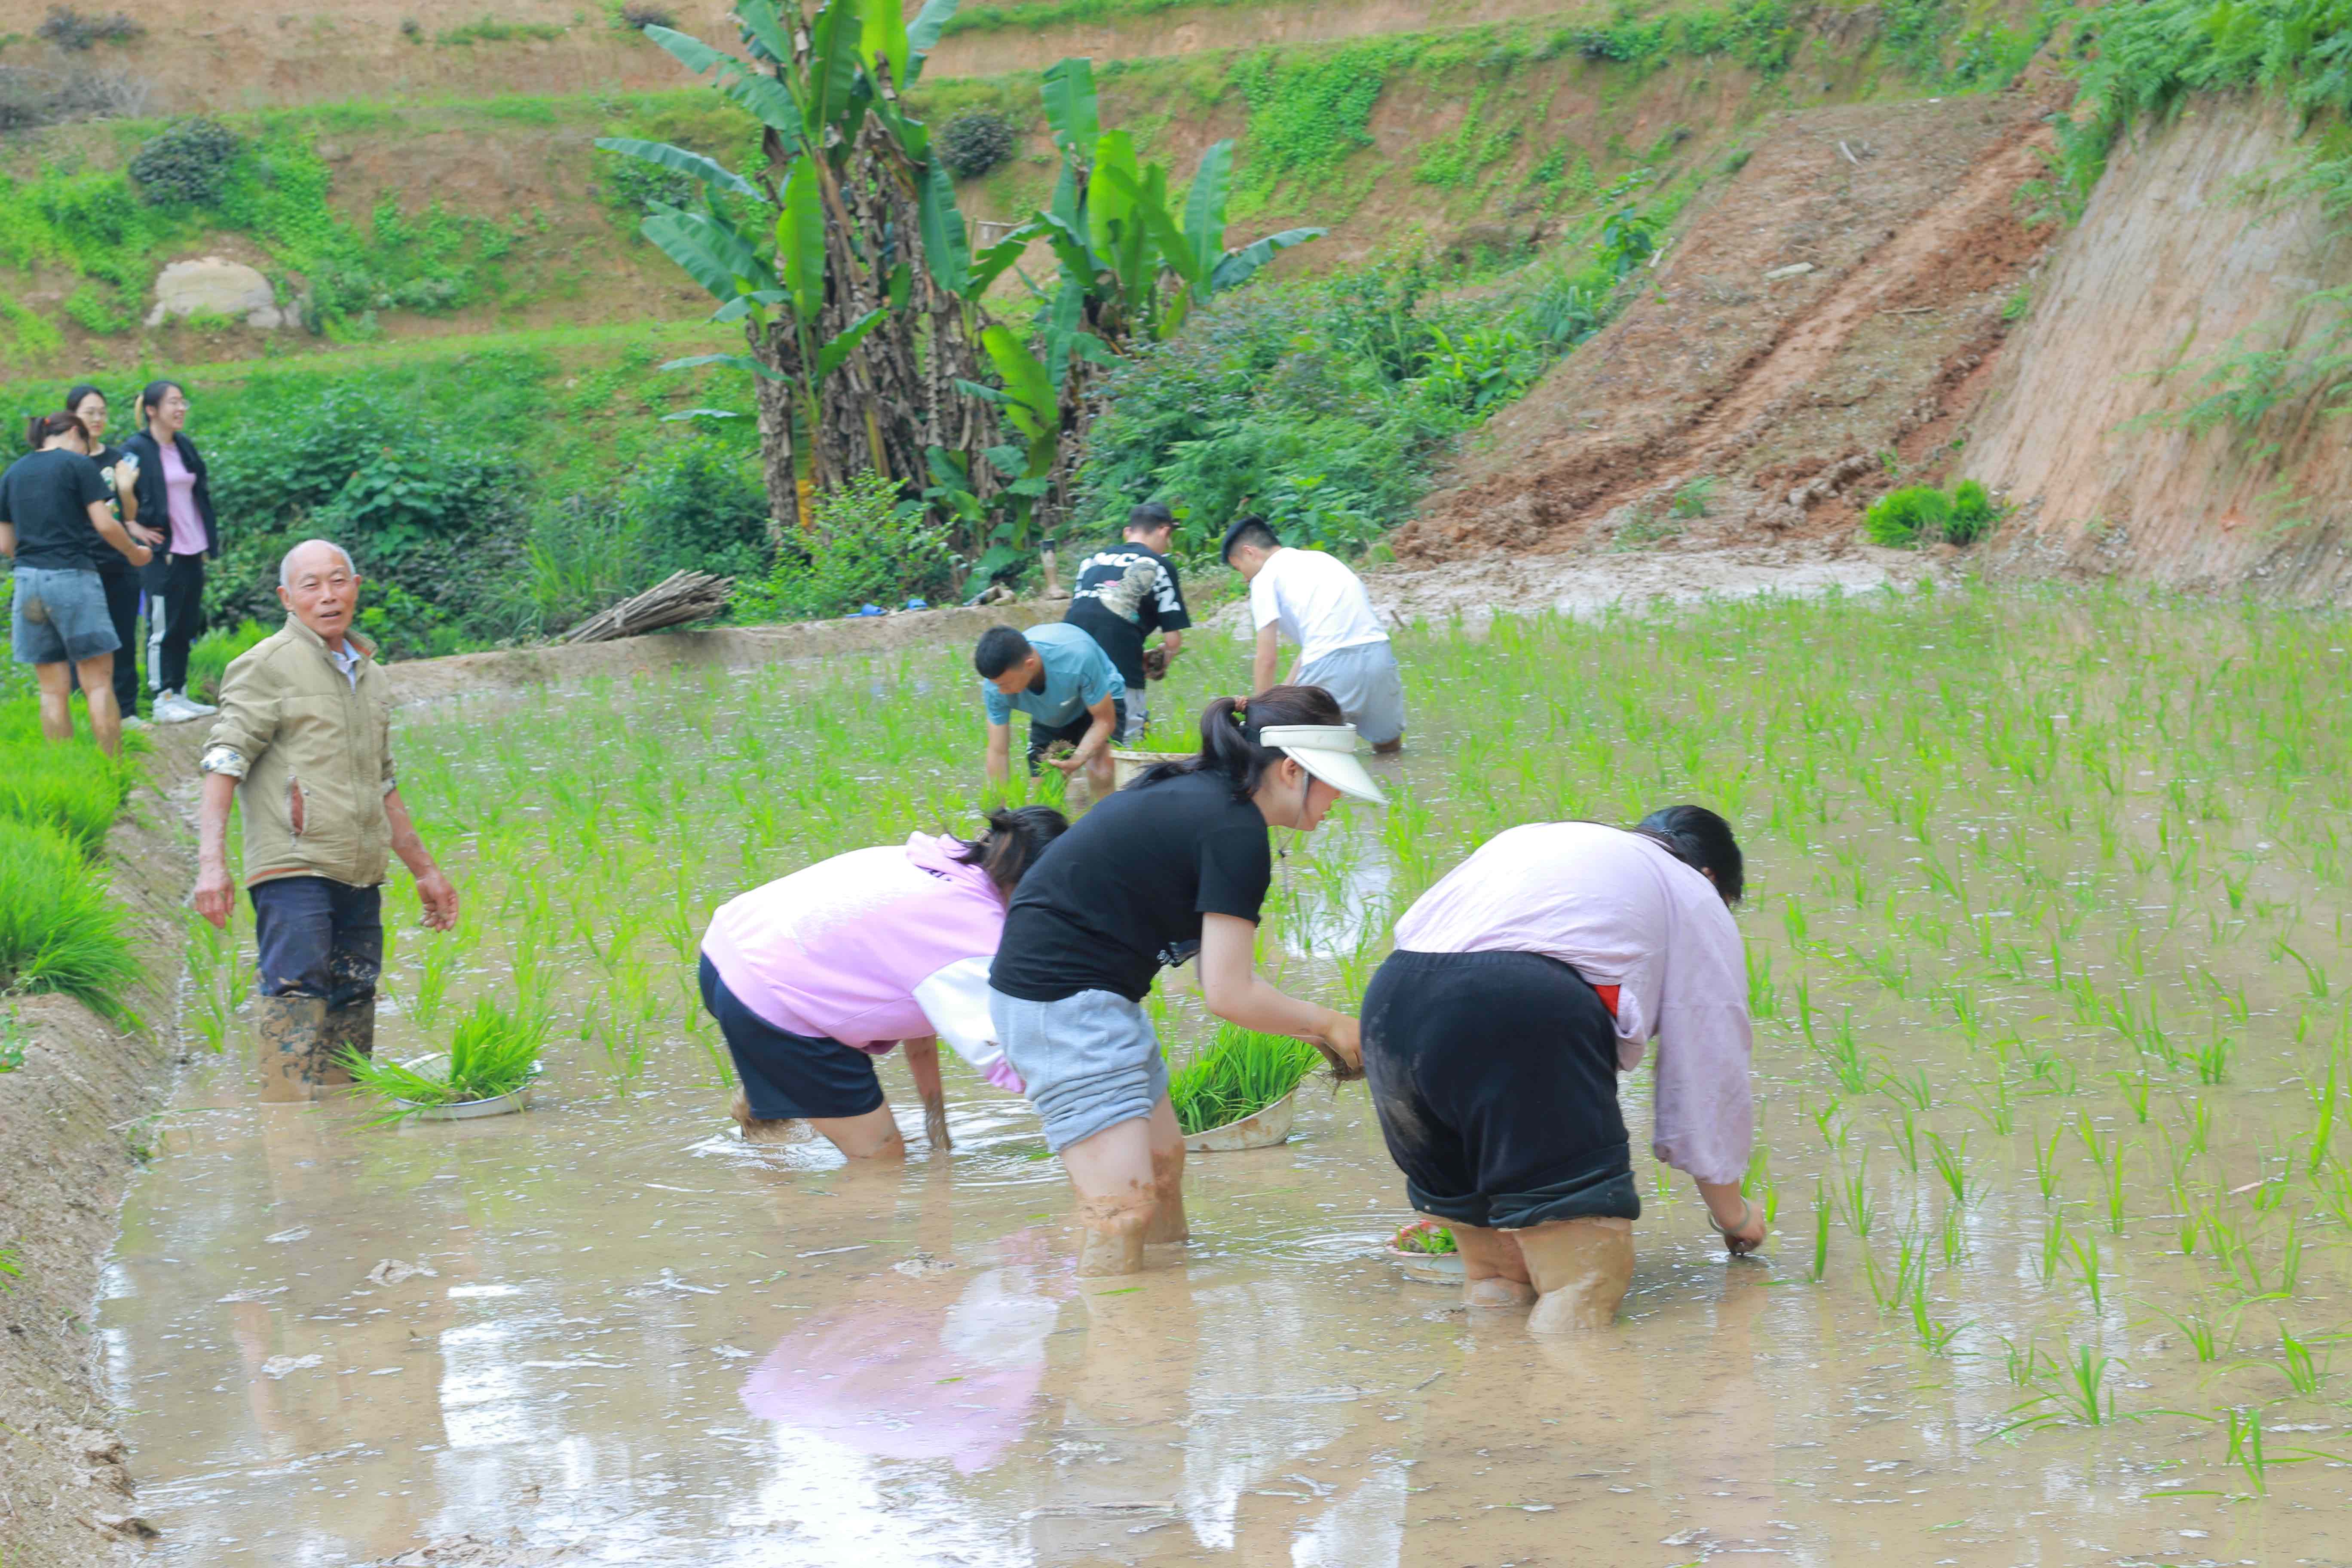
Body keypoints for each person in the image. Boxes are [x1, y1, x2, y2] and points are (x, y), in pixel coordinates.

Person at [987, 686, 1384, 1275]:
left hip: (1097, 997)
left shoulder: (1206, 798)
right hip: (1062, 1004)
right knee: (1120, 1210)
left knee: (1162, 1166)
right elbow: (1228, 993)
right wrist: (1331, 1024)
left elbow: (1219, 975)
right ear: (1292, 770)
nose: (1338, 799)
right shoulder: (1234, 829)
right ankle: (1117, 1325)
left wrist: (1319, 1033)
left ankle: (1169, 1303)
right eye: (1333, 783)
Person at [1360, 806, 1762, 1335]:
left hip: (1393, 1007)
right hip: (1518, 1009)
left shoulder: (1542, 841)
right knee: (1583, 1284)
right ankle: (1568, 1388)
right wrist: (1734, 1217)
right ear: (1711, 876)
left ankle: (1489, 1386)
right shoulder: (1693, 891)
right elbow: (1709, 1068)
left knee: (1497, 1281)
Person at [192, 539, 461, 1102]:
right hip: (293, 865)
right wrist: (211, 866)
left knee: (354, 993)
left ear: (356, 588)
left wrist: (426, 871)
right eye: (311, 585)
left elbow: (382, 782)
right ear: (287, 598)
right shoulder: (266, 666)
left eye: (338, 581)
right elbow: (224, 761)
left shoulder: (371, 675)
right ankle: (285, 1125)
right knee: (295, 993)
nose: (328, 595)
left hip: (360, 867)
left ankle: (345, 1131)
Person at [699, 805, 1069, 1161]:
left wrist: (938, 1134)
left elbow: (923, 1025)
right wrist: (1086, 1088)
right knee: (881, 1159)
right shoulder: (970, 932)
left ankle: (769, 1085)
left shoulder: (941, 862)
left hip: (727, 952)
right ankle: (776, 1085)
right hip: (769, 997)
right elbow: (1009, 1055)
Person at [0, 411, 153, 756]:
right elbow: (106, 524)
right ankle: (113, 771)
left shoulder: (13, 473)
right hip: (73, 577)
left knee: (51, 691)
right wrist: (134, 553)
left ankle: (65, 769)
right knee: (98, 684)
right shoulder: (78, 465)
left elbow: (6, 544)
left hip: (28, 583)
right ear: (74, 433)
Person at [1220, 516, 1406, 754]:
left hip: (1329, 665)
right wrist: (1283, 691)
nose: (1244, 578)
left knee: (1307, 755)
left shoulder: (1265, 577)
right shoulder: (1323, 560)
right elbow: (1318, 644)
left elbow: (1267, 658)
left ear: (1249, 552)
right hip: (1378, 654)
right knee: (1388, 747)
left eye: (1239, 569)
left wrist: (1258, 716)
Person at [123, 379, 219, 725]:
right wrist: (132, 526)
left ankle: (179, 692)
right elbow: (114, 493)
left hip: (191, 548)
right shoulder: (135, 448)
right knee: (162, 625)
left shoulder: (184, 445)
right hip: (160, 550)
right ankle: (161, 698)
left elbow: (199, 494)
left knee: (186, 623)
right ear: (152, 410)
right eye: (172, 403)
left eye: (183, 402)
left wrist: (207, 540)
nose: (180, 409)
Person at [66, 384, 161, 726]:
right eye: (89, 412)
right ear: (73, 416)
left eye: (102, 412)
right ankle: (83, 711)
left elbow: (129, 515)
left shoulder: (117, 458)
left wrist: (125, 488)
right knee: (82, 642)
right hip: (80, 563)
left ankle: (126, 710)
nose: (97, 419)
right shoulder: (65, 461)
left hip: (118, 560)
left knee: (122, 636)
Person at [1061, 502, 1191, 743]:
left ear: (1127, 532)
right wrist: (1159, 661)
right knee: (1127, 742)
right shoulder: (1159, 565)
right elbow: (1173, 641)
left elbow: (1087, 611)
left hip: (1069, 656)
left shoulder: (1091, 561)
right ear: (1164, 531)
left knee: (1081, 741)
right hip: (1121, 663)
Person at [974, 622, 1126, 796]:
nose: (1001, 692)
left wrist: (1078, 758)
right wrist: (998, 807)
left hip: (1101, 697)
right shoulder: (995, 687)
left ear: (1030, 665)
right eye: (997, 685)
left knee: (1102, 773)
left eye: (1006, 685)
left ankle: (1105, 812)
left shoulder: (1078, 659)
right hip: (1054, 709)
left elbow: (1104, 721)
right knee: (1046, 789)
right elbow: (998, 751)